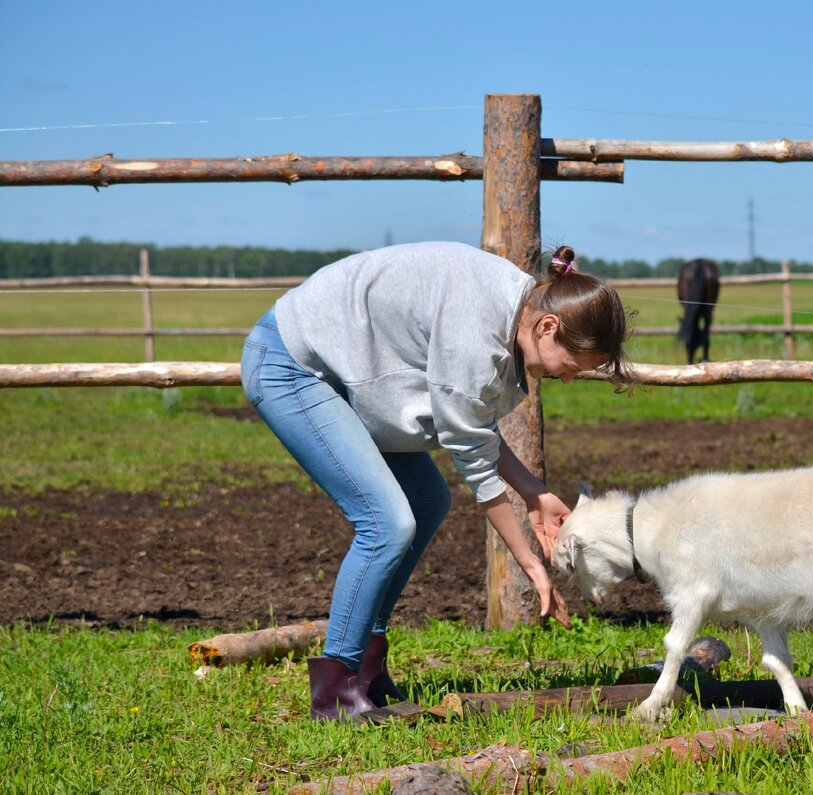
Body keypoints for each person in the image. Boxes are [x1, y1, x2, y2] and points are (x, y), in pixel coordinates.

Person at [240, 241, 630, 721]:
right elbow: (470, 452)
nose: (566, 380)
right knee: (386, 523)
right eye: (569, 366)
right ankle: (334, 689)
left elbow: (468, 424)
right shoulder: (480, 325)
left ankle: (366, 668)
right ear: (548, 327)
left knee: (426, 500)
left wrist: (535, 493)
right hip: (293, 366)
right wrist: (529, 561)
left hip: (340, 373)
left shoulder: (512, 307)